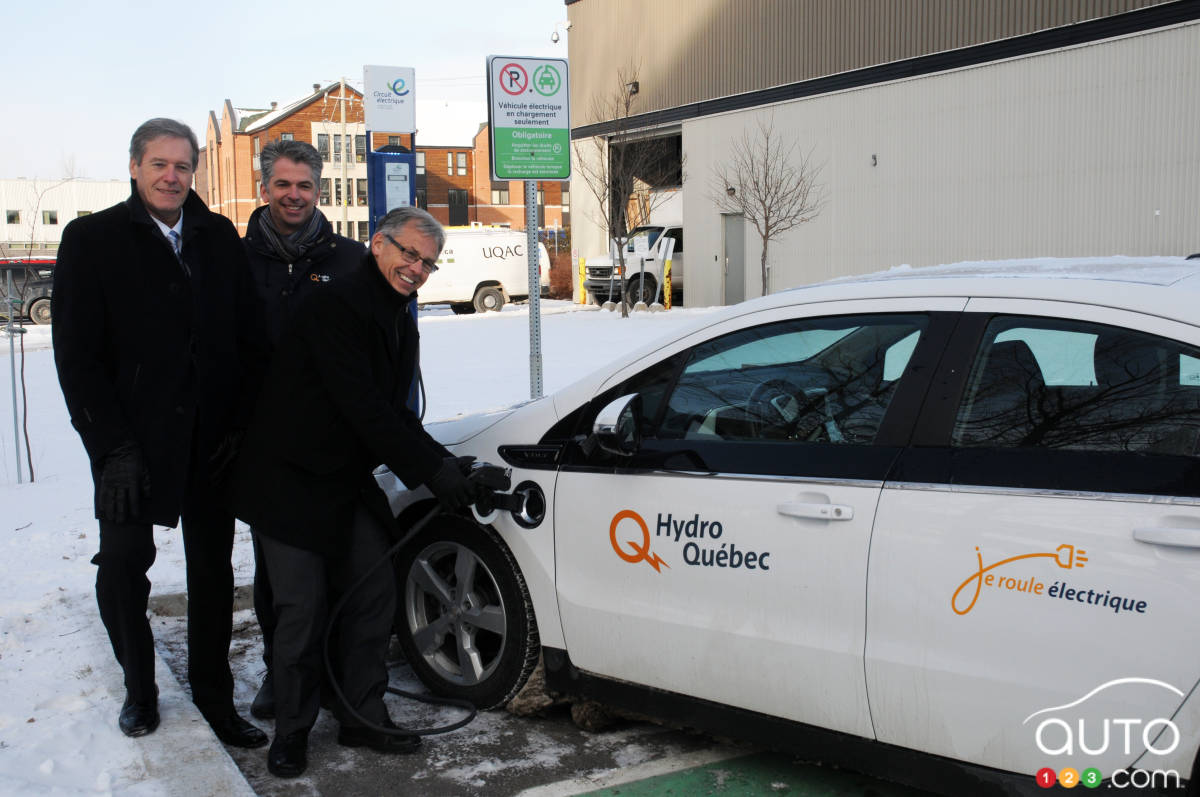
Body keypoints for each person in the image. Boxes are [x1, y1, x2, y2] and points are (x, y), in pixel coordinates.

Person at [231, 206, 481, 778]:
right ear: (378, 245)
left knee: (372, 594)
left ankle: (360, 714)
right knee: (303, 609)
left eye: (428, 262)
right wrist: (432, 472)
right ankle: (291, 731)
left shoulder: (399, 314)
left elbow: (396, 412)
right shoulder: (333, 305)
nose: (417, 268)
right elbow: (361, 406)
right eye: (409, 254)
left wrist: (447, 467)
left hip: (342, 478)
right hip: (287, 480)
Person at [52, 118, 268, 747]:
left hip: (211, 440)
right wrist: (111, 448)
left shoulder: (217, 237)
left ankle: (214, 697)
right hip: (131, 443)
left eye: (182, 166)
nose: (172, 177)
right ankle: (140, 690)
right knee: (123, 564)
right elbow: (77, 358)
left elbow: (248, 341)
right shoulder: (92, 239)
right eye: (159, 165)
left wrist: (240, 425)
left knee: (213, 571)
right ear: (134, 167)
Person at [241, 139, 364, 721]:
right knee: (279, 578)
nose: (294, 195)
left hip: (335, 446)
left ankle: (336, 678)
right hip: (262, 449)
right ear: (265, 188)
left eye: (305, 185)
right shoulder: (235, 260)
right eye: (282, 184)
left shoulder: (349, 260)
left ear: (321, 189)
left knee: (338, 567)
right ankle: (281, 672)